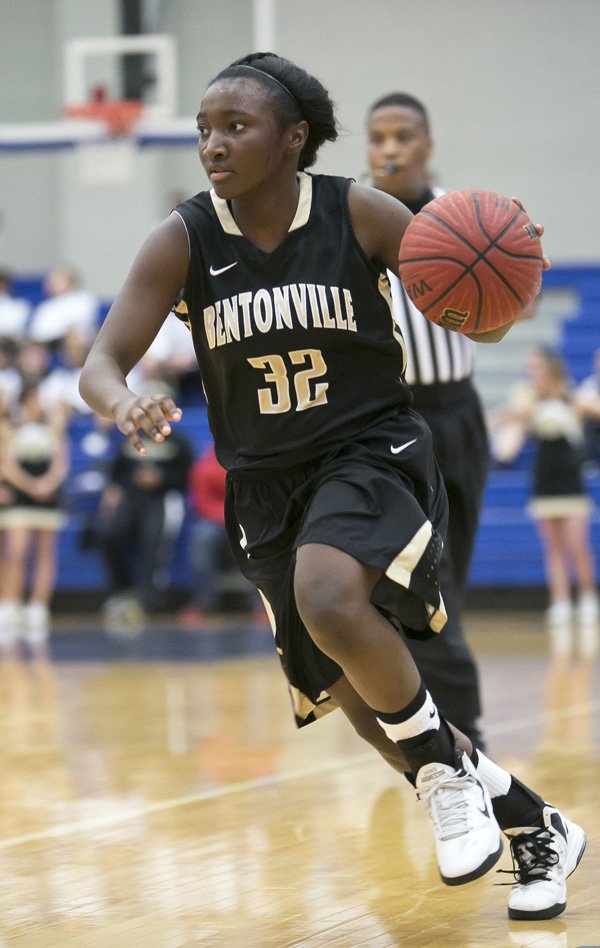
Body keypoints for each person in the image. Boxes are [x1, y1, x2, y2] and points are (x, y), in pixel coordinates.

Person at [78, 52, 584, 919]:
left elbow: (477, 322)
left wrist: (498, 287)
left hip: (369, 450)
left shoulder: (356, 210)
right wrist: (123, 403)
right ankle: (535, 824)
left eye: (235, 127)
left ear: (293, 139)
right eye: (204, 129)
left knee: (329, 594)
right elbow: (100, 361)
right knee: (356, 696)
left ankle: (440, 781)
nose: (212, 145)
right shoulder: (185, 236)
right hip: (263, 485)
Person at [366, 92, 487, 749]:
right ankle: (446, 739)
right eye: (378, 136)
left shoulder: (464, 219)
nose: (390, 148)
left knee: (446, 585)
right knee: (409, 588)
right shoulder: (350, 221)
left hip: (456, 413)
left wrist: (516, 274)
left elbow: (512, 311)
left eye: (403, 136)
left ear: (427, 145)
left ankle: (453, 736)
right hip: (387, 421)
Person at [493, 346, 598, 657]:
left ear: (552, 371)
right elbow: (506, 425)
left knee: (578, 546)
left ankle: (588, 600)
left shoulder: (572, 395)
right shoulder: (528, 399)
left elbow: (590, 409)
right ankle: (561, 602)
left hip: (570, 477)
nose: (533, 373)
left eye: (538, 368)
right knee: (552, 546)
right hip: (544, 478)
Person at [96, 386, 193, 635]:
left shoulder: (179, 443)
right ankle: (123, 591)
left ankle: (149, 599)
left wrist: (160, 478)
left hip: (163, 498)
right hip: (131, 497)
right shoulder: (130, 437)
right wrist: (116, 487)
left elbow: (185, 477)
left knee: (154, 540)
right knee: (110, 533)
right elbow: (117, 472)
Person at [0, 382, 69, 658]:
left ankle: (38, 609)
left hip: (48, 497)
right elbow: (7, 464)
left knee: (45, 554)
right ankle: (10, 606)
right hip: (21, 497)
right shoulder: (9, 428)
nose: (39, 404)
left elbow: (60, 462)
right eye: (35, 399)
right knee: (15, 553)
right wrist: (31, 486)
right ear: (25, 401)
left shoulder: (52, 428)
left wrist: (49, 483)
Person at [180, 442, 266, 624]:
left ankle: (263, 604)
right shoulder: (205, 465)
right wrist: (228, 517)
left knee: (260, 537)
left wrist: (239, 517)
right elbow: (203, 503)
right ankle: (204, 603)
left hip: (245, 520)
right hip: (216, 523)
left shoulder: (252, 461)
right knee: (202, 538)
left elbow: (256, 498)